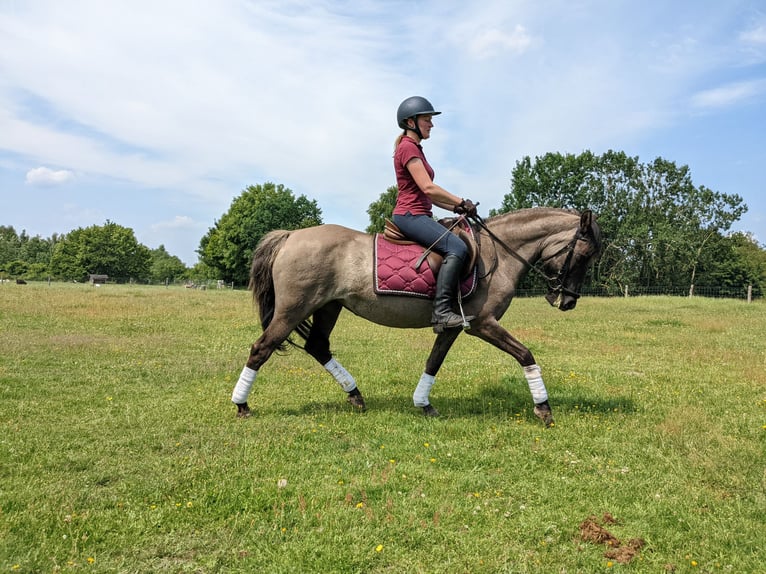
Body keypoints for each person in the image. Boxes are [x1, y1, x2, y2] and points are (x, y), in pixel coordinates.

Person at [392, 96, 478, 333]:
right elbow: (428, 188)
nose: (431, 124)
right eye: (427, 119)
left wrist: (456, 209)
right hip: (410, 215)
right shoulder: (407, 147)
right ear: (411, 122)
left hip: (419, 213)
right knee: (457, 248)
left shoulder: (415, 148)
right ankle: (441, 313)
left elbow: (429, 195)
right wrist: (460, 200)